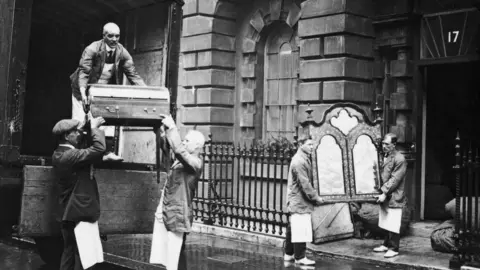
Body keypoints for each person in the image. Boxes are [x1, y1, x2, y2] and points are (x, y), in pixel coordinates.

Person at [70, 22, 146, 161]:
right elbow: (84, 72)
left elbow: (133, 74)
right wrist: (83, 95)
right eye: (110, 36)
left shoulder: (122, 52)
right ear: (103, 36)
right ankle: (77, 153)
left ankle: (106, 153)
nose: (114, 39)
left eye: (117, 36)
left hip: (102, 90)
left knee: (107, 119)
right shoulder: (92, 49)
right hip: (82, 89)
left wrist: (147, 93)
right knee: (80, 120)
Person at [149, 114, 205, 270]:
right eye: (184, 140)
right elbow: (168, 147)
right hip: (170, 210)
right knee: (174, 254)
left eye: (187, 141)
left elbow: (178, 150)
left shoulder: (195, 162)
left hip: (178, 212)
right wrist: (160, 129)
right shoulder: (182, 159)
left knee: (174, 254)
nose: (184, 142)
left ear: (196, 146)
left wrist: (173, 128)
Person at [52, 116, 107, 270]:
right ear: (66, 135)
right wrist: (95, 128)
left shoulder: (60, 153)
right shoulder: (70, 155)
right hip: (78, 211)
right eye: (75, 131)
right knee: (84, 255)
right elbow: (98, 149)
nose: (79, 134)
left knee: (69, 251)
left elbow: (88, 154)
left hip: (68, 211)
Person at [284, 135, 324, 266]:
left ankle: (288, 254)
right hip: (299, 201)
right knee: (300, 227)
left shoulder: (303, 158)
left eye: (313, 144)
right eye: (309, 145)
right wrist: (316, 198)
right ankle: (300, 257)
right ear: (301, 145)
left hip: (297, 200)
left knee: (293, 227)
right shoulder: (299, 161)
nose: (312, 147)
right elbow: (305, 184)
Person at [373, 133, 407, 258]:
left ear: (394, 145)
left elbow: (395, 179)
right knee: (386, 220)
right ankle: (386, 244)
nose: (384, 146)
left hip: (394, 195)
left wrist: (384, 192)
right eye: (383, 143)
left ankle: (394, 248)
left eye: (387, 144)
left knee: (393, 221)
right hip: (385, 193)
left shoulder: (400, 159)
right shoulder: (385, 156)